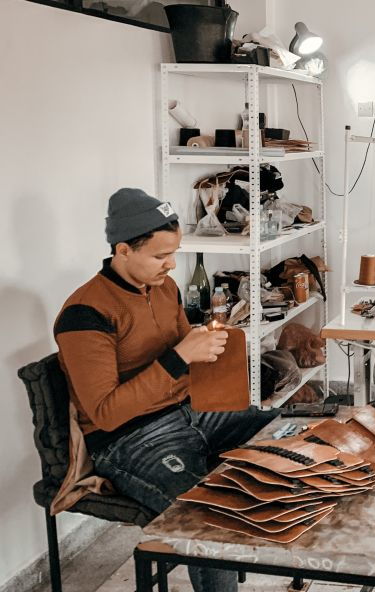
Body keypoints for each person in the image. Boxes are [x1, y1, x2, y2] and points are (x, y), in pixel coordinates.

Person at [54, 188, 278, 591]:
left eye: (173, 253)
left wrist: (219, 349)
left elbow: (189, 358)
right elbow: (104, 411)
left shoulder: (164, 288)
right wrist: (179, 357)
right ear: (123, 250)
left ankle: (303, 562)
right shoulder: (85, 314)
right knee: (208, 517)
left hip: (192, 412)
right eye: (160, 256)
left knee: (286, 436)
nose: (171, 265)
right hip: (129, 439)